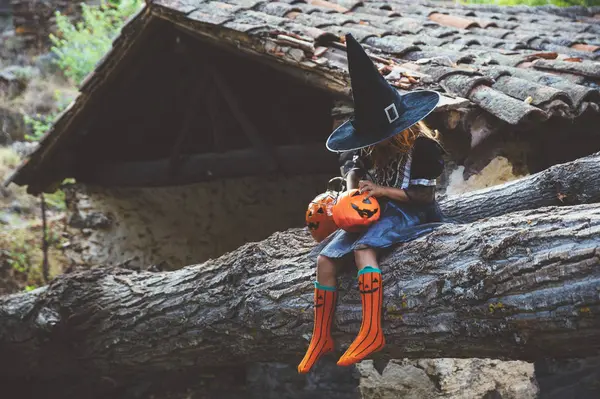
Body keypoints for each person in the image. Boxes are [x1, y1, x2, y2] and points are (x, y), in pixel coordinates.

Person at [297, 34, 447, 374]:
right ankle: (321, 335)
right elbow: (354, 171)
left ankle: (372, 329)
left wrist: (381, 191)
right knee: (325, 258)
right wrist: (353, 195)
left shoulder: (422, 148)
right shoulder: (369, 148)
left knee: (364, 248)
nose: (376, 145)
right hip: (377, 209)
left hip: (411, 211)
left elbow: (425, 197)